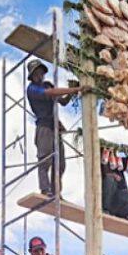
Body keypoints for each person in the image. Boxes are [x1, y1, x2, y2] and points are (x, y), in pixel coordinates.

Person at [26, 60, 84, 197]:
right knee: (45, 159)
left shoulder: (46, 85)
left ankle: (56, 191)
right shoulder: (33, 89)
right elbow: (51, 93)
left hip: (55, 127)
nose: (39, 76)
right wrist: (75, 90)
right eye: (36, 73)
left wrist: (72, 92)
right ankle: (45, 189)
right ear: (32, 75)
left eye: (41, 73)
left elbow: (62, 102)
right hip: (44, 127)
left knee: (60, 163)